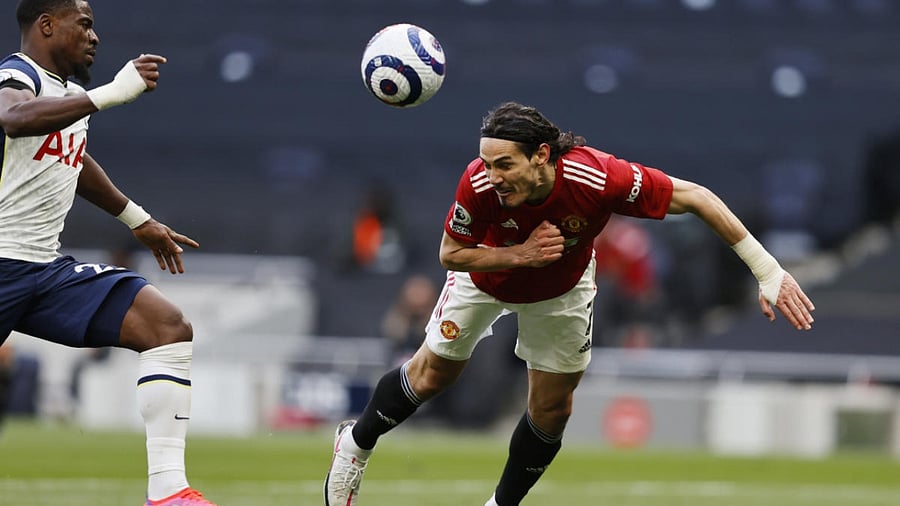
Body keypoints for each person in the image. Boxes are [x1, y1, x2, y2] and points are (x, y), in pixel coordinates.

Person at [323, 101, 816, 506]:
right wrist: (519, 254)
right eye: (487, 162)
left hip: (563, 288)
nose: (492, 175)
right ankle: (355, 445)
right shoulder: (477, 184)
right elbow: (449, 253)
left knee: (553, 408)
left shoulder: (597, 178)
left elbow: (697, 197)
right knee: (433, 375)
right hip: (486, 276)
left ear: (541, 156)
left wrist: (767, 269)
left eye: (504, 164)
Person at [0, 1, 215, 505]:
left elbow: (73, 159)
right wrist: (110, 95)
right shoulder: (16, 74)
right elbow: (12, 118)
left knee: (166, 327)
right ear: (47, 25)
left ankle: (168, 491)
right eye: (86, 24)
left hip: (44, 271)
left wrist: (139, 221)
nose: (95, 37)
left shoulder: (70, 97)